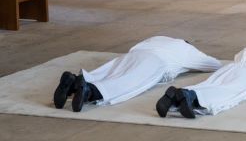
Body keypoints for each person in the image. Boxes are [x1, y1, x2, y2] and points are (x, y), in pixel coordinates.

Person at [52, 36, 222, 113]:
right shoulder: (188, 50)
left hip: (133, 55)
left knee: (110, 72)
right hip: (156, 62)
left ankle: (74, 82)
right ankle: (89, 91)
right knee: (128, 83)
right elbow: (215, 65)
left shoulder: (159, 37)